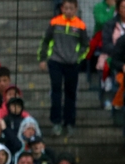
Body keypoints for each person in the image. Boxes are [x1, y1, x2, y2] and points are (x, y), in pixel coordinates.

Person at [38, 0, 88, 137]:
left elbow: (85, 45)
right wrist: (43, 59)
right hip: (56, 62)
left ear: (76, 9)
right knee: (56, 91)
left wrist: (78, 57)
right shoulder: (54, 22)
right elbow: (45, 41)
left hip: (72, 64)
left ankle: (70, 123)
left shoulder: (80, 25)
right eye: (66, 8)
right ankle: (56, 122)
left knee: (70, 93)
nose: (68, 11)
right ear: (62, 8)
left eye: (71, 8)